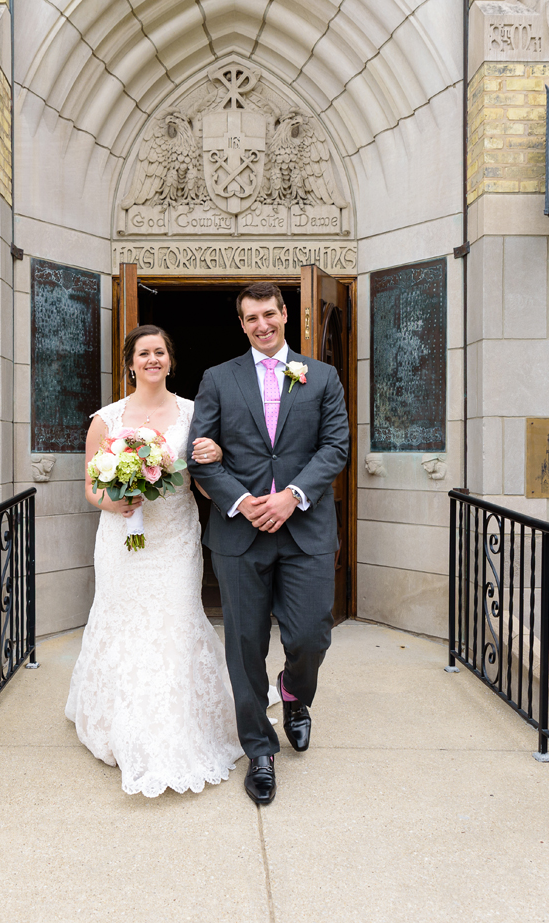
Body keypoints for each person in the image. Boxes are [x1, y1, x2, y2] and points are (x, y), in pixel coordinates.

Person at [187, 281, 351, 806]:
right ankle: (260, 749)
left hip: (305, 529)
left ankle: (296, 694)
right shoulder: (217, 379)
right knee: (244, 645)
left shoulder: (322, 376)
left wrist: (293, 496)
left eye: (269, 314)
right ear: (242, 324)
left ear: (285, 314)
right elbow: (200, 456)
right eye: (251, 318)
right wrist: (240, 500)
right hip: (241, 532)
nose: (262, 325)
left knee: (310, 635)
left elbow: (336, 446)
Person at [64, 324, 244, 795]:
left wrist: (218, 454)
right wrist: (115, 502)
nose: (152, 360)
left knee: (176, 621)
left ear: (170, 359)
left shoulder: (193, 412)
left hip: (175, 538)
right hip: (122, 539)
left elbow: (204, 475)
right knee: (122, 622)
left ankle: (179, 725)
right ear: (130, 362)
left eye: (159, 352)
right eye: (143, 353)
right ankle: (121, 723)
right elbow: (91, 487)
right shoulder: (106, 419)